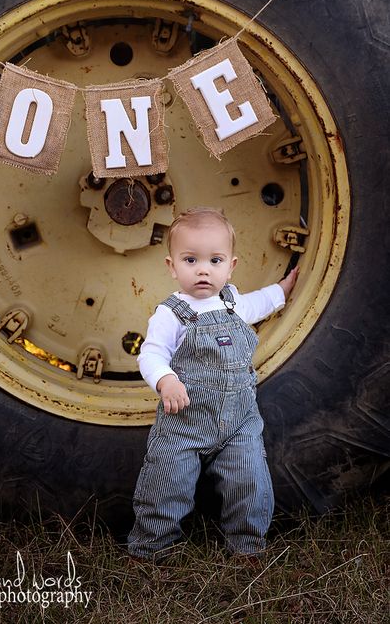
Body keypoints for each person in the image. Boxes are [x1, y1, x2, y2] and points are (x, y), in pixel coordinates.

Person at [128, 206, 299, 561]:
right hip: (184, 422)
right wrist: (166, 380)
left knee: (250, 482)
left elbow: (261, 302)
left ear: (231, 266)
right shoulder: (171, 313)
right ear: (171, 266)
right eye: (190, 260)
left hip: (239, 424)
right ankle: (152, 548)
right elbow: (151, 354)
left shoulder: (234, 302)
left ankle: (248, 545)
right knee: (166, 484)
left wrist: (283, 289)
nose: (203, 270)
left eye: (215, 260)